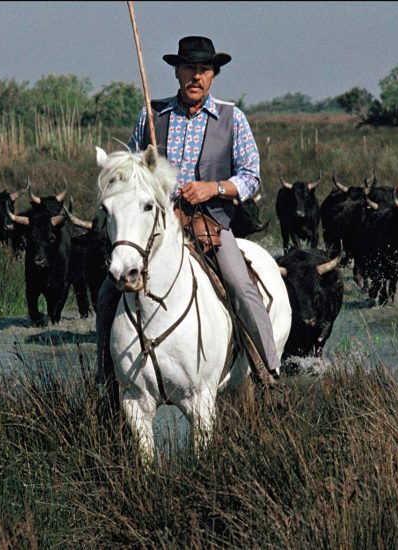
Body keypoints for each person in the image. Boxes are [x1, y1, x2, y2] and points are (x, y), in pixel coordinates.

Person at [96, 35, 279, 414]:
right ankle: (105, 376)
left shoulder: (232, 118)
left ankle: (268, 371)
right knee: (107, 293)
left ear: (213, 75)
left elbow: (251, 176)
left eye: (204, 69)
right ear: (177, 72)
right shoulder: (152, 115)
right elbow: (132, 172)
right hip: (159, 225)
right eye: (189, 68)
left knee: (241, 285)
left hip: (209, 224)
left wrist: (214, 187)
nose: (196, 76)